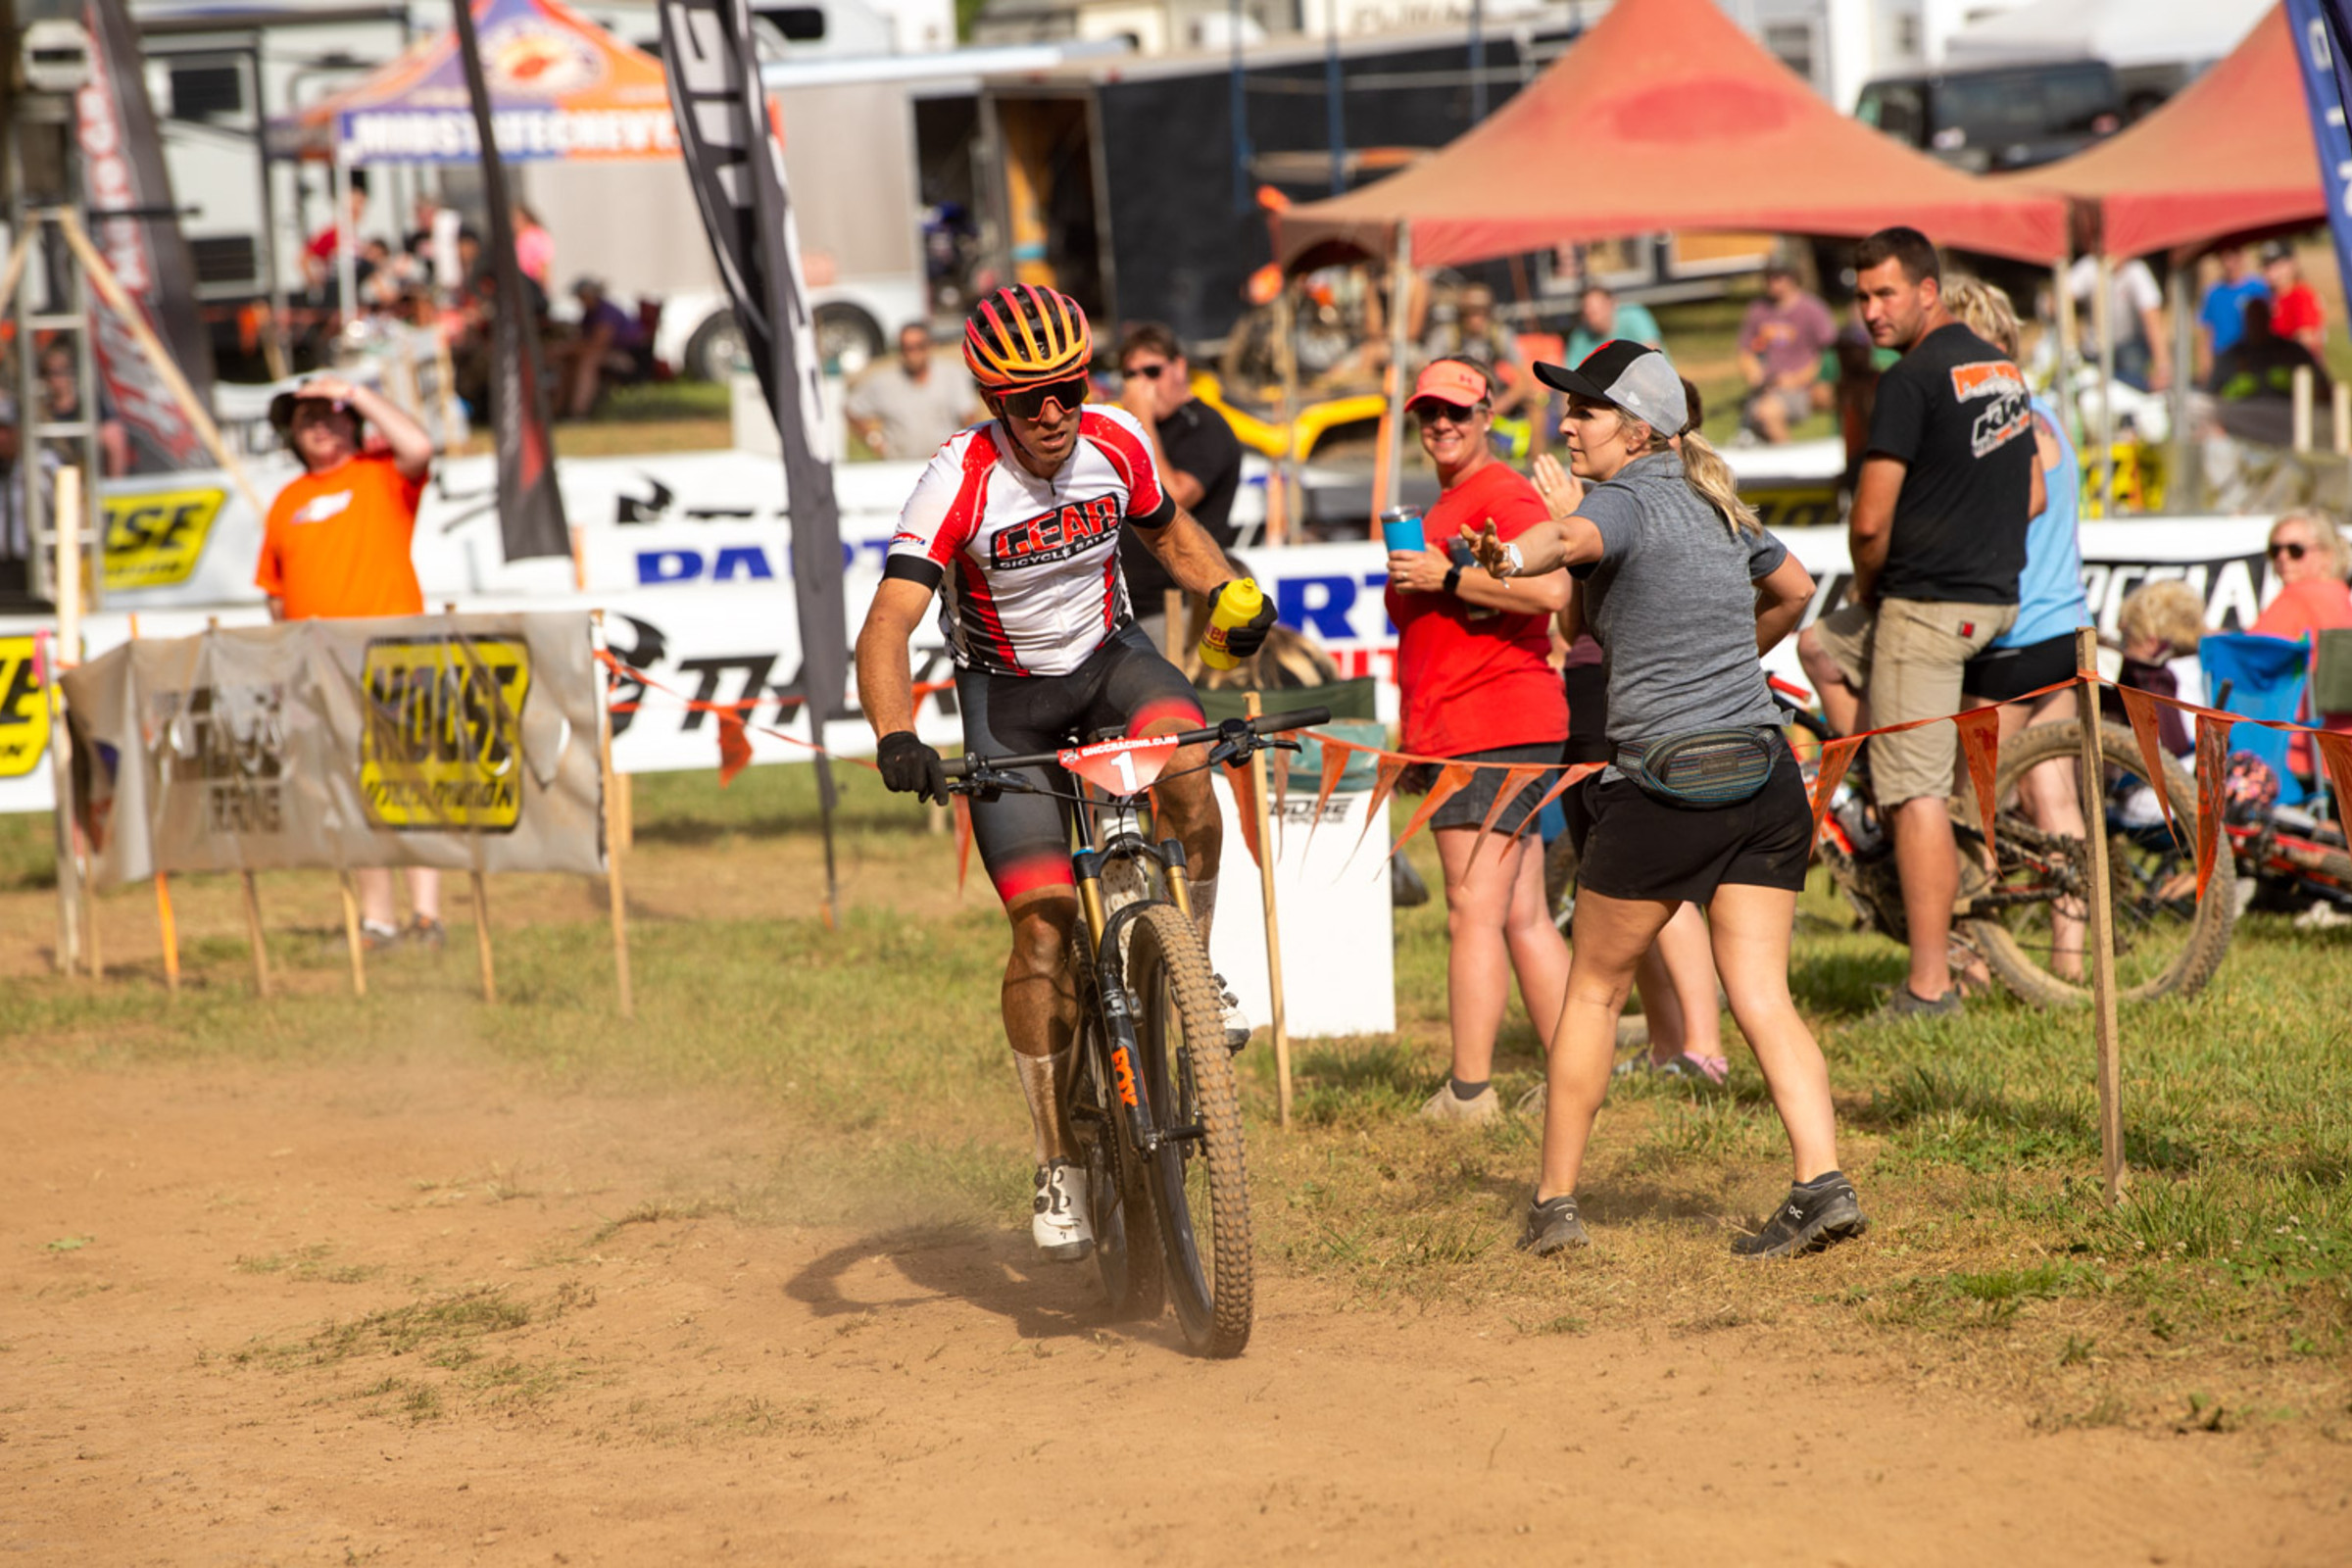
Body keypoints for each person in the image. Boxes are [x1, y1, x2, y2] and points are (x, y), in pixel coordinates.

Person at [853, 285, 1274, 1264]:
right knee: (1041, 931)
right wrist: (893, 731)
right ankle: (1056, 1156)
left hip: (1110, 660)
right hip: (1008, 701)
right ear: (994, 402)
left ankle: (1194, 965)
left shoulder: (1118, 440)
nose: (1052, 414)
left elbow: (1173, 538)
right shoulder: (955, 480)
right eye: (1027, 398)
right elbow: (887, 623)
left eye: (1066, 390)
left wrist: (1230, 593)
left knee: (1188, 756)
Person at [1470, 339, 1848, 1259]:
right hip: (1764, 774)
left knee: (1593, 994)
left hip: (1665, 788)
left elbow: (1565, 542)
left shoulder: (1626, 500)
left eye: (1585, 411)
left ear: (1635, 430)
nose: (1566, 423)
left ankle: (1555, 1205)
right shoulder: (1720, 501)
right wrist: (1732, 659)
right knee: (1762, 995)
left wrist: (1503, 553)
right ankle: (1821, 1183)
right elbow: (1794, 591)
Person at [1795, 227, 2045, 1018]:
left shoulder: (1909, 379)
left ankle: (1930, 986)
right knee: (1821, 646)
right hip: (1993, 597)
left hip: (1926, 607)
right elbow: (2034, 493)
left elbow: (1868, 524)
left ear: (1928, 291)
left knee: (1916, 796)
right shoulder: (2000, 369)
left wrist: (1872, 585)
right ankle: (1880, 776)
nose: (1870, 311)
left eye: (1886, 294)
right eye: (1861, 296)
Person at [1381, 358, 1572, 1123]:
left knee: (1473, 909)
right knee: (1521, 912)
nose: (1443, 426)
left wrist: (1448, 578)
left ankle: (1469, 1092)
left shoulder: (1502, 494)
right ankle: (1572, 1073)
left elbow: (1554, 590)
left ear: (1489, 415)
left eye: (1458, 412)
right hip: (1474, 724)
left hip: (1493, 723)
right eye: (1429, 414)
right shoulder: (1446, 504)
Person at [253, 375, 440, 951]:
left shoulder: (382, 475)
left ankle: (427, 919)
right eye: (305, 419)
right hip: (324, 668)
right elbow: (276, 593)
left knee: (409, 783)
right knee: (353, 794)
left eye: (328, 415)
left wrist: (356, 393)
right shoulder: (287, 501)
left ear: (351, 423)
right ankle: (378, 922)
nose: (318, 426)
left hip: (393, 656)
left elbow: (419, 447)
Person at [1945, 277, 2089, 982]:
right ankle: (2067, 956)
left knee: (1972, 800)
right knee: (2053, 792)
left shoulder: (2000, 427)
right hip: (2066, 628)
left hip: (2008, 636)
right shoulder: (2051, 417)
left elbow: (2014, 510)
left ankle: (1969, 956)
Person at [1115, 322, 1243, 652]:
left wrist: (1140, 417)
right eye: (1132, 376)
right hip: (1125, 611)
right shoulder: (1132, 429)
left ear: (1179, 367)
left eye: (1152, 371)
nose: (1143, 386)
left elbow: (1172, 495)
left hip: (1176, 608)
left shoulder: (1204, 426)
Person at [2251, 509, 2352, 781]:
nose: (2283, 558)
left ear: (2326, 555)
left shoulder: (2296, 597)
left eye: (2295, 550)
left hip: (2301, 757)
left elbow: (2244, 660)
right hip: (2340, 751)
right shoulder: (2340, 595)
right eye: (2275, 550)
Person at [845, 322, 984, 462]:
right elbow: (852, 408)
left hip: (945, 463)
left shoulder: (952, 374)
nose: (913, 353)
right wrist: (874, 439)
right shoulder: (883, 382)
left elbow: (968, 417)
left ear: (929, 346)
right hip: (901, 467)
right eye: (907, 347)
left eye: (919, 346)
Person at [2207, 298, 2331, 449]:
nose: (2256, 323)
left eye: (2260, 318)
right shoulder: (2232, 355)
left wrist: (2292, 385)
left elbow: (2325, 390)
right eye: (2252, 319)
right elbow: (2211, 396)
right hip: (2240, 433)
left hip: (2290, 429)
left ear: (2268, 319)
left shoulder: (2293, 353)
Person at [1738, 265, 1838, 444]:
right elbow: (1746, 352)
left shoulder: (1813, 309)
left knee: (1767, 413)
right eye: (1768, 278)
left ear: (1792, 278)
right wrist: (1754, 373)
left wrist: (1797, 380)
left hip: (1804, 388)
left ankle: (1791, 467)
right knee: (1757, 416)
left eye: (1777, 277)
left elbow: (1828, 355)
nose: (1772, 283)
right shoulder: (1758, 310)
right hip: (1767, 388)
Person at [1422, 283, 1539, 427]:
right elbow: (1427, 373)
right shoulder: (1446, 335)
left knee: (1536, 401)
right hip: (1455, 396)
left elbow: (1524, 378)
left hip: (1493, 396)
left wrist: (1502, 403)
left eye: (1481, 311)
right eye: (1469, 312)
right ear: (1460, 313)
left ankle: (1536, 450)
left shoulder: (1499, 334)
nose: (1476, 318)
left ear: (1490, 312)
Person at [2067, 250, 2171, 392]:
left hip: (2129, 345)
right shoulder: (2089, 267)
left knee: (2135, 381)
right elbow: (2062, 299)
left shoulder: (2136, 270)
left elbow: (2152, 318)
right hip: (2093, 350)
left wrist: (2162, 366)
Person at [555, 277, 652, 419]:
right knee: (570, 362)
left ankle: (579, 412)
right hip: (612, 354)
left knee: (588, 361)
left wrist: (565, 349)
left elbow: (597, 344)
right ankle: (560, 410)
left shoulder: (606, 312)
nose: (580, 301)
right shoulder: (590, 314)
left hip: (632, 359)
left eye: (582, 297)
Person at [37, 342, 130, 478]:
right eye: (48, 372)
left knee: (112, 432)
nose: (54, 379)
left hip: (87, 472)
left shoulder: (89, 407)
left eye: (60, 372)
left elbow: (113, 434)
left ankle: (116, 489)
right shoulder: (40, 412)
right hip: (53, 476)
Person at [2196, 244, 2271, 384]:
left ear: (2243, 257)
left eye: (2234, 257)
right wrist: (2205, 368)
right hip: (2223, 360)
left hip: (2252, 360)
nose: (2230, 264)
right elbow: (2206, 334)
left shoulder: (2259, 289)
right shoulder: (2213, 293)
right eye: (2225, 258)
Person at [1564, 284, 1662, 368]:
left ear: (1611, 304)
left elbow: (1652, 354)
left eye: (1595, 311)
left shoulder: (1634, 316)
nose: (1591, 317)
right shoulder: (1580, 336)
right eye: (1587, 312)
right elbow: (1572, 373)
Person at [2263, 243, 2327, 360]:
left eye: (2278, 265)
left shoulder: (2301, 295)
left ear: (2291, 265)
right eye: (2268, 266)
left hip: (2300, 366)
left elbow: (2305, 340)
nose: (2272, 272)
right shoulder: (2272, 299)